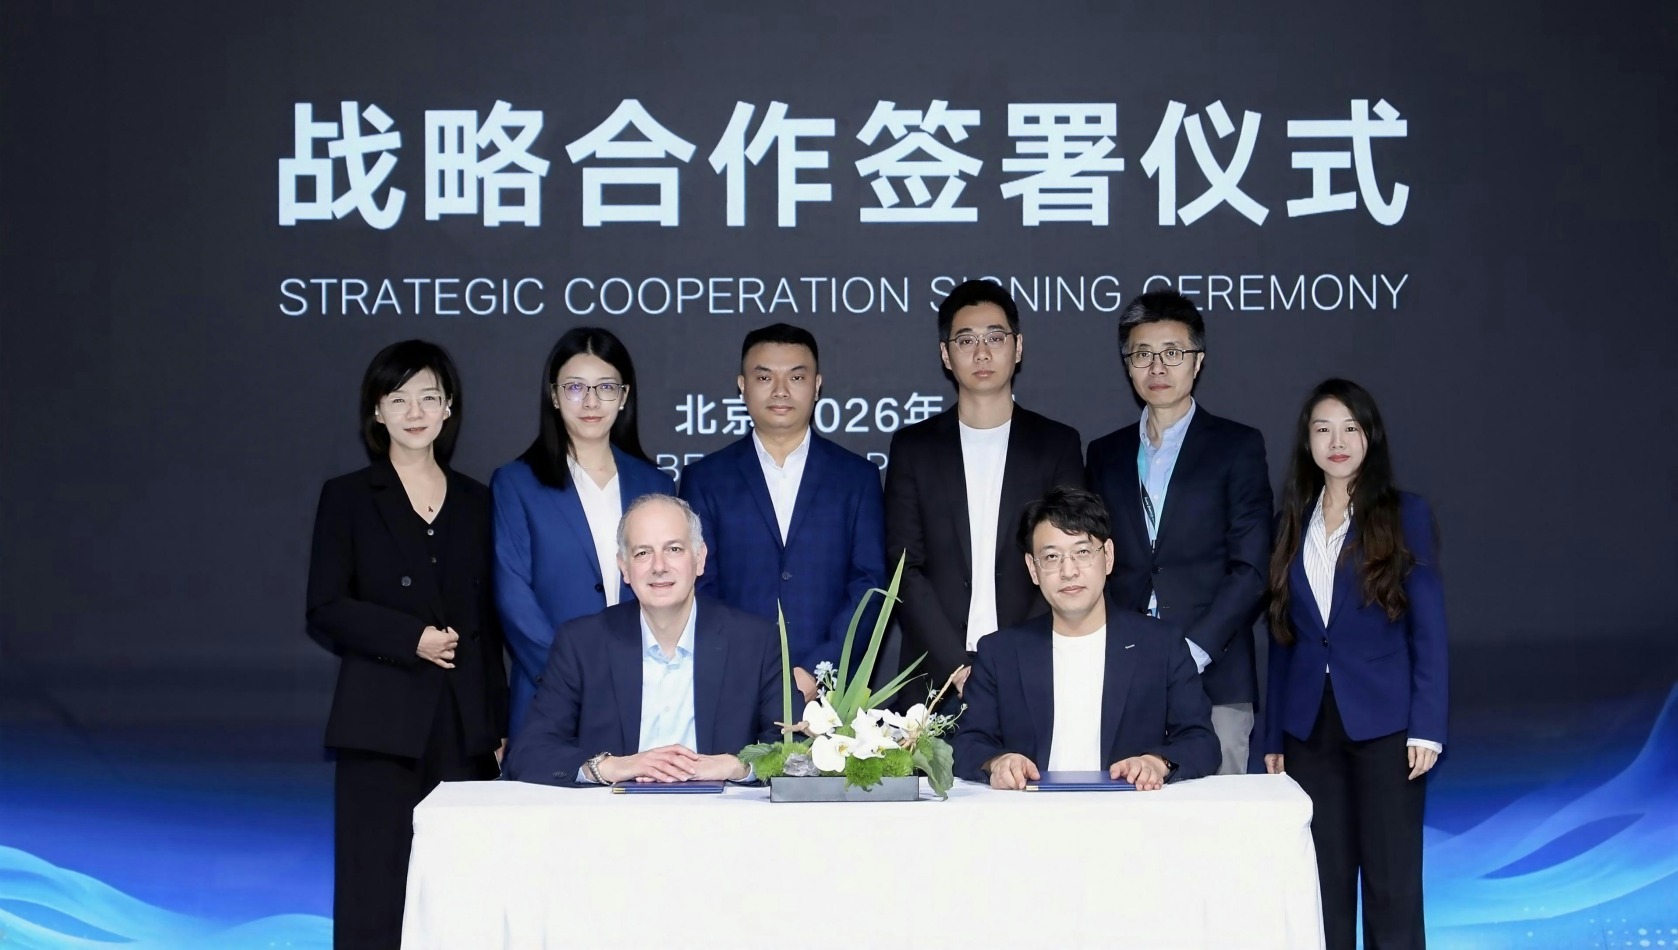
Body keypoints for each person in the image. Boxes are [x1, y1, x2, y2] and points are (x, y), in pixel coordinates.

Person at [305, 340, 507, 950]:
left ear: (449, 408)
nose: (415, 412)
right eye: (399, 399)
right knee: (375, 887)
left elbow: (489, 623)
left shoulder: (478, 500)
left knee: (462, 889)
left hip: (463, 726)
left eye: (428, 397)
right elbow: (325, 608)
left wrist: (497, 725)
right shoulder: (347, 497)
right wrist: (409, 638)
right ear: (377, 410)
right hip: (380, 723)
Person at [1262, 379, 1446, 950]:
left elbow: (1429, 628)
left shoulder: (1405, 514)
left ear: (1370, 436)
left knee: (1392, 885)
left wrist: (1427, 727)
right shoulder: (1291, 519)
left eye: (1349, 428)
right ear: (1308, 441)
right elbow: (1282, 635)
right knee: (1323, 885)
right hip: (1308, 728)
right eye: (1323, 429)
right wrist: (1273, 734)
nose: (1336, 442)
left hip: (1386, 726)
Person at [1085, 289, 1271, 775]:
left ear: (1197, 361)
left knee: (1216, 813)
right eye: (1142, 354)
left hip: (1216, 673)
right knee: (1125, 807)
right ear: (1128, 365)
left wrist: (1192, 651)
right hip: (1125, 673)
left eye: (1172, 353)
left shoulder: (1237, 446)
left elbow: (1252, 568)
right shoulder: (1104, 454)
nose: (1157, 367)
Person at [886, 279, 1084, 704]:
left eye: (995, 338)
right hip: (933, 677)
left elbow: (1066, 559)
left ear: (1018, 347)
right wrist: (957, 667)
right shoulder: (913, 448)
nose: (981, 353)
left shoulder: (1056, 444)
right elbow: (905, 568)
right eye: (966, 340)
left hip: (1034, 666)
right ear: (946, 354)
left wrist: (1010, 656)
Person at [505, 494, 784, 785]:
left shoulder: (756, 642)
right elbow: (529, 753)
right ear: (624, 567)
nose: (659, 566)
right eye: (642, 553)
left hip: (721, 810)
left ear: (700, 558)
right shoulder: (582, 643)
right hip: (611, 811)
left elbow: (796, 747)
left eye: (674, 549)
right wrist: (610, 767)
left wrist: (736, 766)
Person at [952, 487, 1219, 790]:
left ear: (1108, 556)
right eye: (1051, 557)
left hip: (1130, 809)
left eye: (1082, 552)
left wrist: (1157, 762)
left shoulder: (1161, 645)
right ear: (1033, 569)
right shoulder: (1000, 652)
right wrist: (998, 761)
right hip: (1029, 810)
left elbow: (1201, 741)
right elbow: (967, 743)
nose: (1068, 571)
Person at [678, 323, 886, 700]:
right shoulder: (705, 479)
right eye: (764, 377)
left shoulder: (857, 478)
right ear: (742, 385)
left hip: (832, 694)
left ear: (817, 386)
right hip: (733, 685)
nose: (780, 390)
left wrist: (818, 671)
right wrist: (748, 672)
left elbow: (869, 585)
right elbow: (699, 585)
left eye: (796, 377)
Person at [491, 327, 673, 740]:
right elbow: (514, 598)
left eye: (605, 387)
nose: (591, 402)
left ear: (624, 397)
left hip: (646, 694)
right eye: (575, 387)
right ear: (554, 396)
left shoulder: (655, 483)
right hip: (550, 694)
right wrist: (570, 680)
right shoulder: (517, 483)